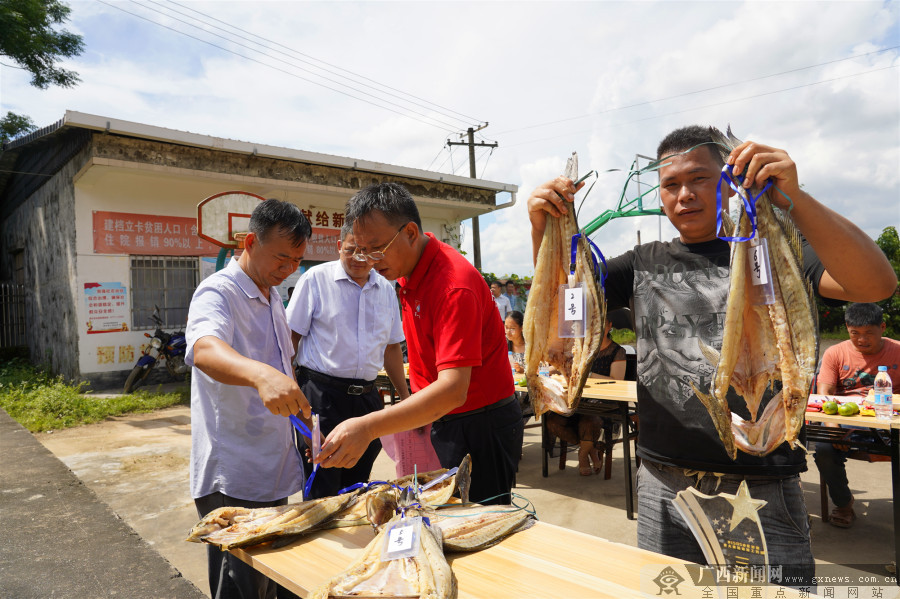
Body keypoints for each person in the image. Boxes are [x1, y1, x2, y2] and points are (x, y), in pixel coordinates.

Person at [527, 125, 897, 585]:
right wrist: (543, 229)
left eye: (699, 179)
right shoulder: (642, 262)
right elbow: (565, 308)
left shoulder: (771, 252)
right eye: (670, 184)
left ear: (727, 179)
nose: (684, 195)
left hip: (757, 484)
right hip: (661, 479)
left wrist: (796, 198)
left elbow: (875, 285)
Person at [315, 182, 524, 505]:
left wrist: (368, 427)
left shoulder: (453, 286)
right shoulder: (407, 272)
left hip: (478, 423)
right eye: (362, 250)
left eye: (376, 248)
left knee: (476, 525)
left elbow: (454, 389)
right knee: (438, 515)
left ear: (411, 232)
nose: (370, 260)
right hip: (441, 417)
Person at [185, 199, 313, 599]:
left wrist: (306, 427)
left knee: (270, 579)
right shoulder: (218, 292)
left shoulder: (274, 294)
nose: (288, 268)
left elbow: (284, 369)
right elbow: (205, 349)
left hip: (273, 464)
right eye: (281, 257)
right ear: (249, 241)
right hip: (234, 473)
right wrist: (259, 375)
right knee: (238, 586)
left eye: (297, 260)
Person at [285, 222, 409, 498]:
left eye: (368, 252)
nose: (360, 259)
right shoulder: (315, 280)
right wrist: (296, 399)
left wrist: (404, 395)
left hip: (366, 398)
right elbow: (289, 340)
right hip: (321, 397)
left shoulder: (386, 289)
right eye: (352, 250)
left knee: (358, 485)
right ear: (339, 247)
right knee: (323, 484)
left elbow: (391, 348)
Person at [814, 302, 900, 528]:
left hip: (889, 420)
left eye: (868, 333)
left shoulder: (898, 351)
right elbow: (825, 394)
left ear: (882, 327)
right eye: (855, 334)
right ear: (847, 328)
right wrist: (833, 428)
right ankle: (844, 503)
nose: (861, 339)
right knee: (824, 449)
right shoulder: (835, 353)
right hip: (847, 420)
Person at [544, 318, 627, 476]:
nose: (595, 327)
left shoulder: (617, 351)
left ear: (609, 325)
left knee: (590, 419)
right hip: (580, 399)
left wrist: (588, 374)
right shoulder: (582, 349)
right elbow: (567, 366)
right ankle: (590, 447)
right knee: (553, 421)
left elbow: (617, 380)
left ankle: (583, 455)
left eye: (601, 323)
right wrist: (549, 369)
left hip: (605, 402)